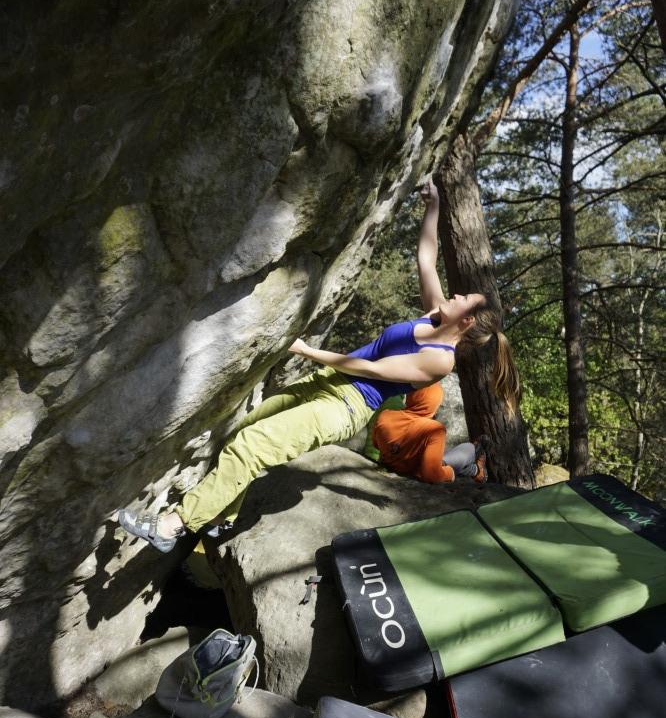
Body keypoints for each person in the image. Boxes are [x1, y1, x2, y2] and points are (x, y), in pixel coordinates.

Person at [118, 178, 519, 552]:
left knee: (252, 445)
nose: (456, 294)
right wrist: (434, 206)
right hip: (329, 381)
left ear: (466, 321)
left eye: (464, 298)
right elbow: (426, 258)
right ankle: (223, 516)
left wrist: (303, 349)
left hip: (346, 404)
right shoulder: (434, 315)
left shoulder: (438, 361)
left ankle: (172, 526)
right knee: (245, 427)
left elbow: (370, 370)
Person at [371, 382, 488, 484]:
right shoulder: (434, 429)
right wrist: (450, 473)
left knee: (442, 452)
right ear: (434, 405)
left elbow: (376, 444)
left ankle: (475, 470)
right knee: (469, 449)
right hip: (417, 472)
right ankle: (476, 465)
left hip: (389, 464)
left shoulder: (385, 416)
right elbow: (431, 475)